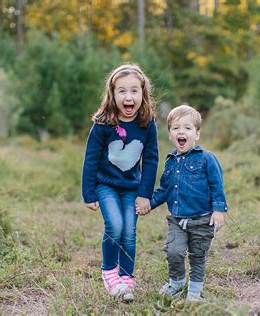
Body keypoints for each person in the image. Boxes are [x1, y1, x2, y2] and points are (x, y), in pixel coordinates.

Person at [81, 64, 159, 302]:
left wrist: (145, 194)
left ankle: (126, 278)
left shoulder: (147, 123)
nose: (128, 97)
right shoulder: (104, 123)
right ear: (112, 95)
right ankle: (109, 272)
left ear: (142, 94)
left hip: (132, 188)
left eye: (134, 91)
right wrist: (89, 193)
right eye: (122, 91)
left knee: (129, 231)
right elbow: (91, 158)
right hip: (106, 185)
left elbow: (151, 160)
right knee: (115, 225)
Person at [136, 104, 227, 302]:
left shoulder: (206, 159)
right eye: (176, 128)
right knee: (174, 251)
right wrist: (149, 204)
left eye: (187, 128)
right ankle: (176, 283)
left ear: (197, 134)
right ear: (170, 134)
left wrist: (218, 211)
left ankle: (194, 293)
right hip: (178, 220)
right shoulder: (170, 162)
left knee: (197, 256)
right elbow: (164, 190)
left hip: (203, 220)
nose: (181, 132)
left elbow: (217, 186)